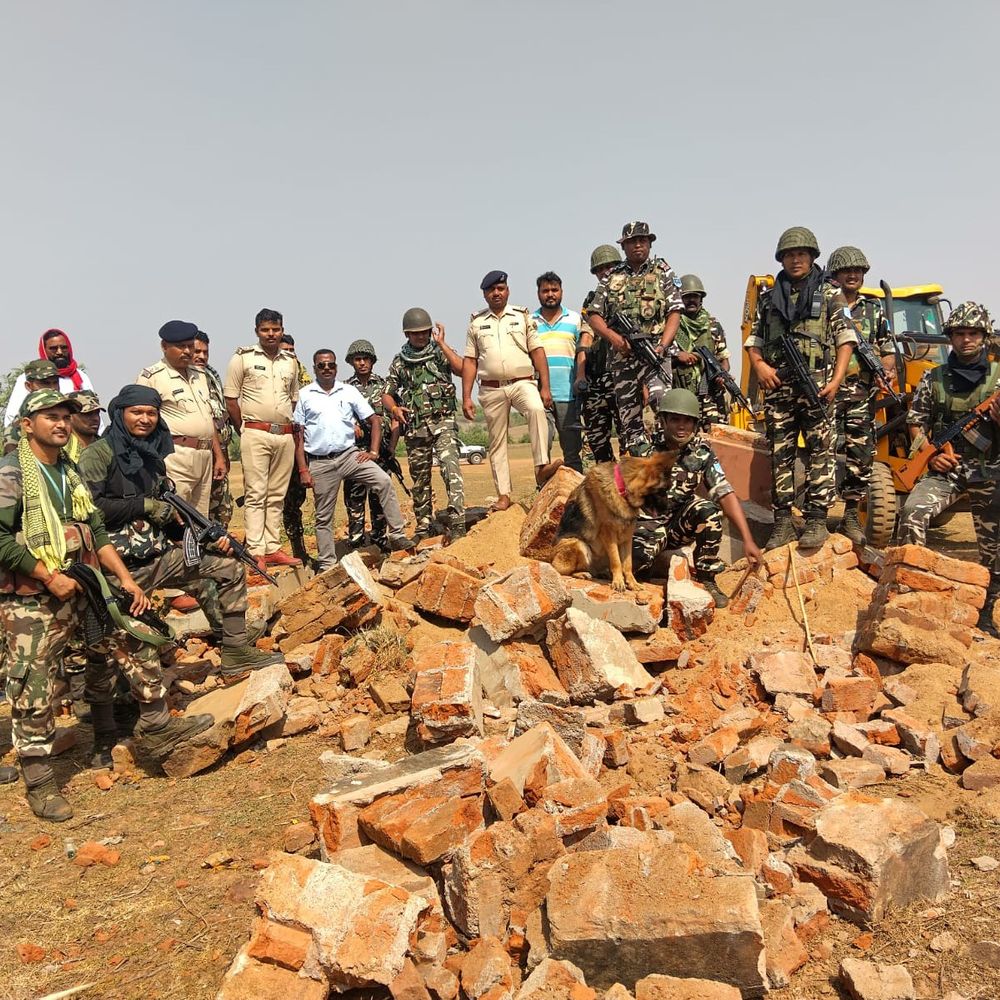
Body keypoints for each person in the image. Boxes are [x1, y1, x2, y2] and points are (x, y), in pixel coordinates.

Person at [0, 390, 214, 821]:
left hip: (84, 582)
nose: (60, 424)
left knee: (132, 636)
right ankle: (40, 781)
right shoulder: (13, 474)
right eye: (50, 417)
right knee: (34, 683)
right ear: (28, 425)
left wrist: (128, 581)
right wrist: (46, 576)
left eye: (65, 417)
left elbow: (96, 532)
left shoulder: (69, 471)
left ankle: (155, 727)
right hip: (33, 599)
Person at [78, 382, 283, 721]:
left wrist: (204, 539)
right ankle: (107, 714)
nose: (144, 419)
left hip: (158, 557)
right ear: (120, 414)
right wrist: (144, 506)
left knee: (229, 568)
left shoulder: (153, 455)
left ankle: (234, 650)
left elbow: (168, 519)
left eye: (151, 413)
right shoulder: (98, 454)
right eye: (136, 412)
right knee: (111, 640)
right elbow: (92, 510)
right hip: (117, 568)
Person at [744, 227, 857, 550]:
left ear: (812, 257)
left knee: (821, 452)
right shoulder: (769, 299)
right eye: (790, 255)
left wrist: (836, 380)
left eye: (801, 254)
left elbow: (845, 339)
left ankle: (817, 519)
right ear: (782, 259)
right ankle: (782, 522)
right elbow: (755, 341)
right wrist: (761, 366)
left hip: (818, 388)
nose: (796, 260)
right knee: (781, 455)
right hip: (780, 389)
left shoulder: (831, 293)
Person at [898, 302, 1000, 636]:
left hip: (990, 470)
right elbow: (916, 422)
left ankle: (985, 612)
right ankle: (911, 595)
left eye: (973, 333)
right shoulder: (934, 377)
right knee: (912, 511)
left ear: (984, 337)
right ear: (951, 338)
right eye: (960, 334)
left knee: (994, 546)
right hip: (946, 470)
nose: (967, 340)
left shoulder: (997, 379)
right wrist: (930, 456)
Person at [632, 389, 763, 606]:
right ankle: (652, 565)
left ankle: (706, 577)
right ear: (663, 420)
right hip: (645, 525)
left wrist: (748, 540)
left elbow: (725, 492)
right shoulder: (642, 448)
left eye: (688, 421)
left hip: (677, 525)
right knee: (638, 564)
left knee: (708, 510)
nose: (682, 426)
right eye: (675, 420)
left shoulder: (701, 452)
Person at [294, 350, 412, 570]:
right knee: (323, 516)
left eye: (330, 365)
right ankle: (328, 564)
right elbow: (298, 434)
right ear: (315, 368)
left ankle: (397, 535)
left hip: (349, 455)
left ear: (336, 367)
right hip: (320, 462)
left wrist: (374, 452)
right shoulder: (304, 395)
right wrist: (303, 469)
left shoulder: (347, 391)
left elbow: (374, 420)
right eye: (322, 365)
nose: (327, 368)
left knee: (383, 481)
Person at [462, 271, 563, 511]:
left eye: (501, 288)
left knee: (537, 409)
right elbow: (470, 361)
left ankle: (541, 468)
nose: (497, 293)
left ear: (507, 291)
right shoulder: (476, 323)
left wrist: (545, 387)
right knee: (497, 442)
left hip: (522, 382)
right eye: (492, 290)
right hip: (491, 388)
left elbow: (538, 351)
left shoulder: (522, 316)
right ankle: (504, 495)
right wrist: (466, 396)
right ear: (485, 294)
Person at [583, 222, 684, 456]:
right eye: (632, 242)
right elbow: (593, 315)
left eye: (643, 240)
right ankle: (642, 467)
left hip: (655, 352)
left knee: (663, 401)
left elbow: (674, 313)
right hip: (623, 358)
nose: (638, 245)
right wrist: (614, 338)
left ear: (649, 243)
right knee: (630, 420)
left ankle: (673, 460)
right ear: (624, 246)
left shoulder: (663, 272)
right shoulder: (611, 277)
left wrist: (662, 346)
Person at [825, 246, 897, 545]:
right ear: (836, 275)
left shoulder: (873, 309)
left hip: (860, 394)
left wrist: (886, 371)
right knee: (821, 451)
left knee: (860, 455)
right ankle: (815, 516)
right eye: (846, 271)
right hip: (826, 391)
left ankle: (851, 515)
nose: (853, 275)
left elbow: (888, 349)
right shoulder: (824, 304)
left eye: (858, 271)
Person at [224, 309, 302, 568]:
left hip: (284, 434)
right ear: (257, 330)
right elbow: (231, 399)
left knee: (277, 494)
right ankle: (256, 549)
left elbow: (293, 398)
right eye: (266, 330)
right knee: (256, 493)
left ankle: (272, 547)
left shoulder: (290, 361)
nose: (271, 334)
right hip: (255, 431)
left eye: (276, 329)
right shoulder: (242, 358)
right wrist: (242, 428)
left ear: (282, 330)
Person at [383, 309, 466, 541]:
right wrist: (394, 409)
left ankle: (457, 519)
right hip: (415, 427)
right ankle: (424, 524)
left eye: (425, 332)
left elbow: (462, 369)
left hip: (443, 422)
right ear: (407, 334)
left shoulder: (440, 353)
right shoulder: (400, 361)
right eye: (416, 333)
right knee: (419, 479)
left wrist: (442, 343)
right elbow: (387, 394)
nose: (421, 337)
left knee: (450, 467)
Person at [137, 321, 226, 518]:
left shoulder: (200, 374)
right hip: (176, 456)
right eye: (180, 346)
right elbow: (141, 422)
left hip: (205, 455)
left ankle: (194, 550)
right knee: (176, 516)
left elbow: (207, 417)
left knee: (200, 519)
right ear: (164, 346)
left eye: (190, 345)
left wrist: (218, 456)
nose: (187, 351)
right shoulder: (152, 377)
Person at [576, 245, 625, 463]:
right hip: (597, 380)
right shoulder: (592, 302)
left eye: (611, 267)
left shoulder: (633, 298)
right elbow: (585, 338)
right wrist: (580, 375)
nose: (606, 272)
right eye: (600, 269)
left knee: (630, 440)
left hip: (625, 379)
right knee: (598, 442)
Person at [344, 339, 392, 550]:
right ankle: (355, 543)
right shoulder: (344, 388)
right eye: (357, 359)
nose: (362, 363)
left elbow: (394, 417)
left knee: (379, 499)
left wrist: (388, 445)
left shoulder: (384, 386)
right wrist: (352, 424)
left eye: (365, 359)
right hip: (354, 453)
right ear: (351, 362)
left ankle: (380, 541)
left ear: (372, 361)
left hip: (379, 453)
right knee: (354, 500)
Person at [534, 272, 584, 473]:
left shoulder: (575, 319)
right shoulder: (529, 321)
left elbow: (582, 352)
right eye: (545, 291)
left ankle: (578, 498)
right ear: (538, 294)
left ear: (562, 292)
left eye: (554, 290)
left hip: (568, 396)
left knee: (572, 453)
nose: (550, 294)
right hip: (539, 397)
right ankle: (542, 498)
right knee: (541, 453)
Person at [671, 275, 732, 427]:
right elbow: (659, 356)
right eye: (686, 297)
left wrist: (722, 375)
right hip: (682, 396)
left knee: (717, 441)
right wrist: (677, 355)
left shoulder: (713, 325)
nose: (691, 300)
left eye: (695, 296)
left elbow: (724, 359)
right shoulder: (671, 325)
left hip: (711, 396)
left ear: (701, 299)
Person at [3, 329, 97, 426]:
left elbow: (93, 409)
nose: (59, 352)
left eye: (64, 347)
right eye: (53, 348)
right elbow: (12, 416)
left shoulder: (80, 376)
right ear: (44, 350)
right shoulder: (28, 377)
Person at [192, 331, 235, 529]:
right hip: (197, 452)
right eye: (196, 351)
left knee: (223, 506)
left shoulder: (211, 376)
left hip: (219, 450)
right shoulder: (186, 380)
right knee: (198, 508)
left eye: (205, 352)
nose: (201, 356)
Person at [280, 334, 312, 563]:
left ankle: (299, 549)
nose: (289, 353)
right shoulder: (270, 373)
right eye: (285, 350)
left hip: (303, 446)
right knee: (270, 500)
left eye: (292, 349)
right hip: (278, 445)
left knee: (295, 499)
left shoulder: (303, 375)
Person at [3, 360, 60, 454]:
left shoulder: (69, 415)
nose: (52, 388)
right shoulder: (17, 428)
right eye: (45, 383)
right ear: (29, 386)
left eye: (55, 382)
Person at [65, 389, 104, 462]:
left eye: (97, 413)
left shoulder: (107, 447)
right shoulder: (61, 449)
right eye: (87, 414)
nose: (95, 418)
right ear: (70, 416)